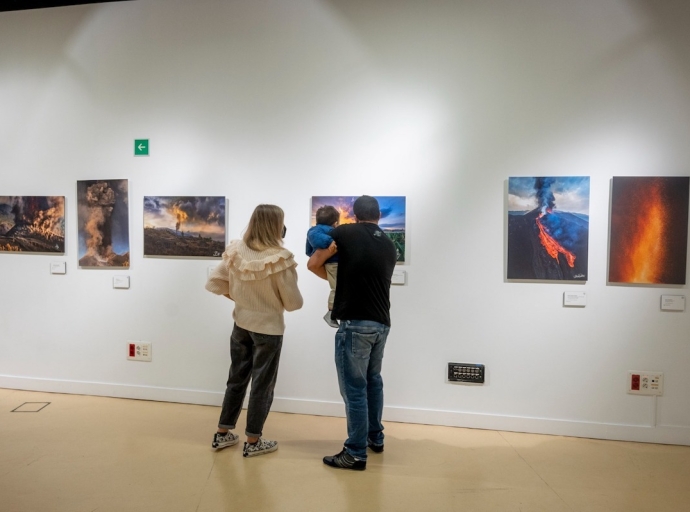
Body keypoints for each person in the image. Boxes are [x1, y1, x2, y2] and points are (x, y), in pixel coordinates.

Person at [307, 195, 397, 471]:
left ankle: (355, 453)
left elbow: (313, 263)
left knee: (354, 389)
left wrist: (336, 278)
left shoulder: (345, 233)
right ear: (379, 215)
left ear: (355, 215)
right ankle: (375, 437)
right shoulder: (389, 244)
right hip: (381, 323)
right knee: (373, 382)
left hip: (355, 323)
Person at [206, 204, 303, 457]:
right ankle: (252, 441)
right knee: (262, 385)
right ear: (276, 225)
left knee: (236, 379)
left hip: (240, 325)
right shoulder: (280, 258)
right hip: (268, 330)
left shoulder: (236, 250)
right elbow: (294, 304)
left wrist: (242, 300)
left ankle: (222, 434)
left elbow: (215, 282)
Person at [305, 205, 340, 328]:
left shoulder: (315, 230)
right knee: (338, 288)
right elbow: (317, 239)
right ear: (335, 222)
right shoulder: (320, 231)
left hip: (333, 263)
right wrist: (330, 241)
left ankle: (334, 312)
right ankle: (331, 313)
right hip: (333, 264)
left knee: (338, 287)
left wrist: (312, 254)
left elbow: (308, 250)